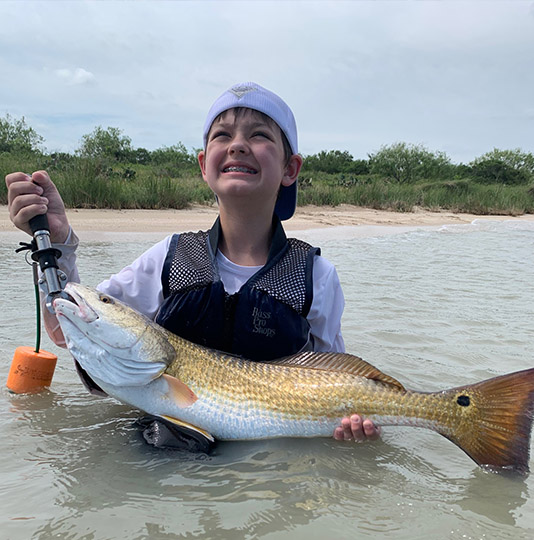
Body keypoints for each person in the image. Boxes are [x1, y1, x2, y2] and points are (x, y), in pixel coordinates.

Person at [6, 81, 380, 446]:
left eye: (259, 134)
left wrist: (355, 429)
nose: (237, 145)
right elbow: (65, 330)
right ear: (204, 164)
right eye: (221, 135)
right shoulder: (168, 257)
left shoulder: (318, 276)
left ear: (290, 168)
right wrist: (56, 247)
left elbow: (335, 374)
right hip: (164, 462)